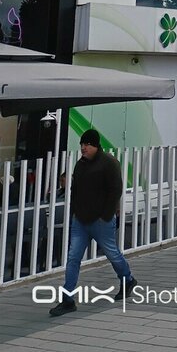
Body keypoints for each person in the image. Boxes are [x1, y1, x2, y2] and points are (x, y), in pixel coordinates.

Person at [48, 129, 137, 317]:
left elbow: (115, 190)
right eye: (82, 144)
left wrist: (105, 215)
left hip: (100, 220)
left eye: (87, 144)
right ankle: (67, 299)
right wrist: (74, 213)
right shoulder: (80, 165)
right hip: (80, 220)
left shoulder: (109, 163)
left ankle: (128, 279)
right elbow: (75, 190)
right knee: (73, 258)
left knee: (112, 253)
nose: (83, 148)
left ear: (96, 145)